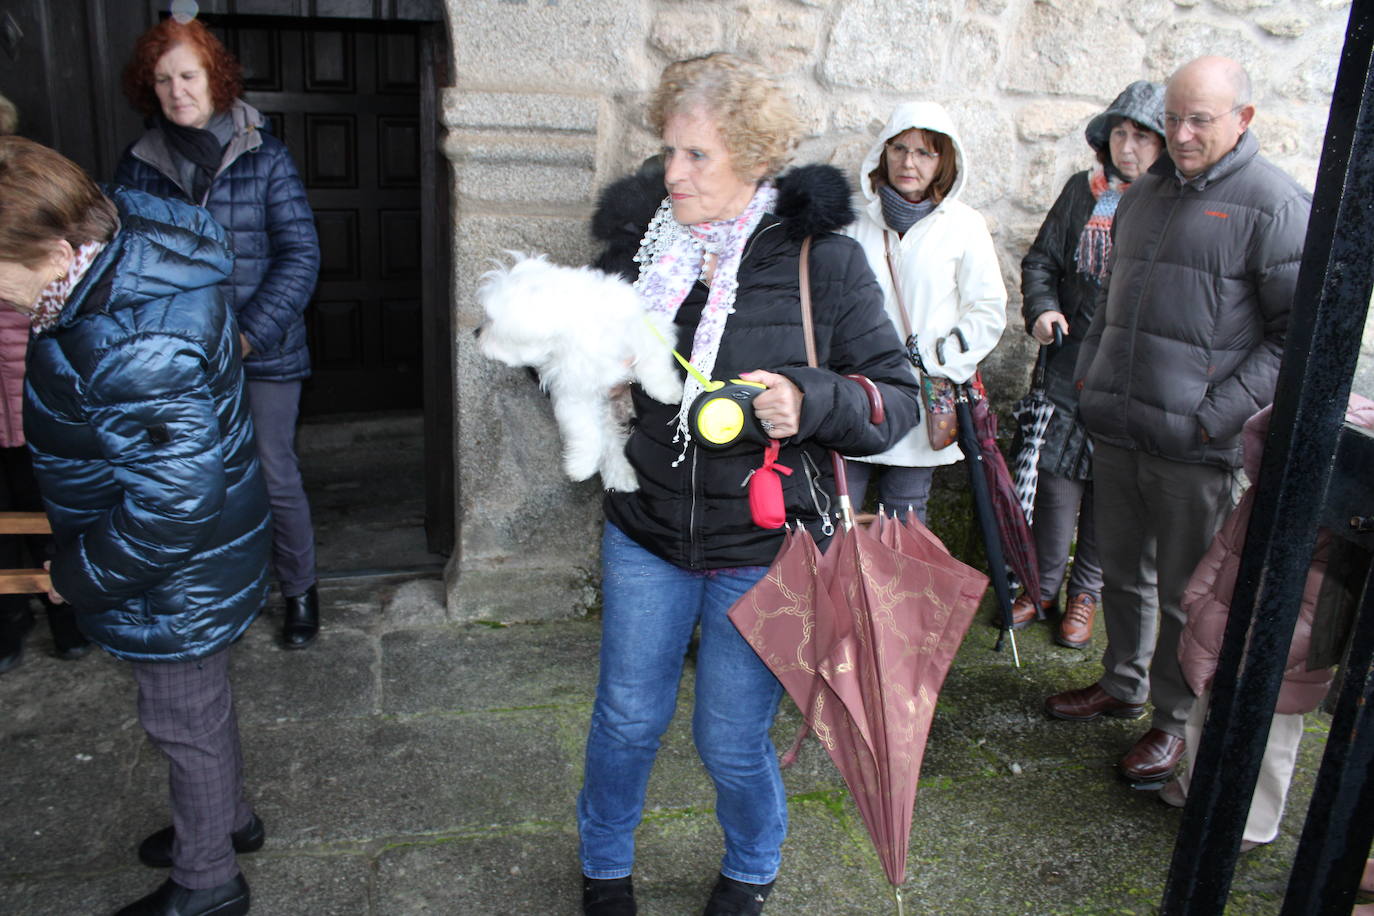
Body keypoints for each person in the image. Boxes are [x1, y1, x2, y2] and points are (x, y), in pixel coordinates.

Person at [579, 53, 920, 916]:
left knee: (731, 741)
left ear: (753, 158)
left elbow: (897, 399)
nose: (672, 173)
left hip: (763, 548)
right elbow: (565, 371)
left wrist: (808, 398)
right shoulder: (642, 252)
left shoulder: (824, 264)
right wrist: (591, 373)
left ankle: (752, 866)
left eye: (696, 156)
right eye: (669, 152)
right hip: (646, 530)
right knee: (624, 723)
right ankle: (603, 868)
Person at [0, 136, 270, 915]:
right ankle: (226, 821)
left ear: (56, 250)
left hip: (174, 571)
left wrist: (74, 576)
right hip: (191, 557)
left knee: (181, 719)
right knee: (200, 707)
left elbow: (171, 507)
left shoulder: (129, 335)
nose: (5, 296)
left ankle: (207, 881)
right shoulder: (124, 266)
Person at [1044, 56, 1312, 788]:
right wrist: (1094, 384)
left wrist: (1210, 420)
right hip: (1120, 427)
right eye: (1174, 119)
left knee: (1184, 592)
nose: (1182, 134)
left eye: (1200, 120)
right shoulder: (1144, 193)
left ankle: (1171, 721)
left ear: (1243, 120)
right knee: (1122, 574)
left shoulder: (1277, 206)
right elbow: (1110, 303)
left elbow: (1297, 338)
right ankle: (1123, 682)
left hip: (1196, 448)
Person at [114, 17, 322, 649]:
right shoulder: (139, 167)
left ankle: (300, 589)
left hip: (264, 352)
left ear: (215, 79)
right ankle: (214, 594)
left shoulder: (265, 154)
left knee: (271, 469)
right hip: (180, 360)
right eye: (164, 79)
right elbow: (128, 266)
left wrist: (246, 337)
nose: (178, 91)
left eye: (189, 75)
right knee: (192, 477)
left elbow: (301, 255)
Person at [1160, 397, 1374, 850]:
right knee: (1206, 707)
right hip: (1227, 620)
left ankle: (1255, 821)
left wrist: (1277, 652)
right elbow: (1226, 546)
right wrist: (1199, 599)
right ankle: (1201, 785)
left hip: (1281, 648)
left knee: (1270, 733)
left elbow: (1323, 611)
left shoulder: (1343, 529)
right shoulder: (1268, 494)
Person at [1013, 81, 1165, 648]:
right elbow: (1042, 261)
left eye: (1142, 135)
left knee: (1111, 489)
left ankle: (1085, 595)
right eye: (1120, 133)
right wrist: (1044, 308)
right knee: (1055, 480)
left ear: (1164, 144)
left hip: (1132, 377)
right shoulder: (1083, 192)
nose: (1128, 146)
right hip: (1068, 364)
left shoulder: (1173, 205)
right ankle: (1043, 584)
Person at [840, 101, 1007, 524]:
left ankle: (902, 595)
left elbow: (987, 310)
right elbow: (829, 301)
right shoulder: (856, 221)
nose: (908, 162)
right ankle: (839, 594)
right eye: (898, 149)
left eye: (923, 152)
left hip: (919, 395)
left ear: (943, 161)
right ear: (884, 152)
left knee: (905, 520)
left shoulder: (963, 226)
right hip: (858, 392)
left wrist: (936, 359)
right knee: (836, 515)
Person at [0, 90, 90, 671]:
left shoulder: (26, 205)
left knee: (53, 496)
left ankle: (69, 615)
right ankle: (9, 622)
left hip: (30, 379)